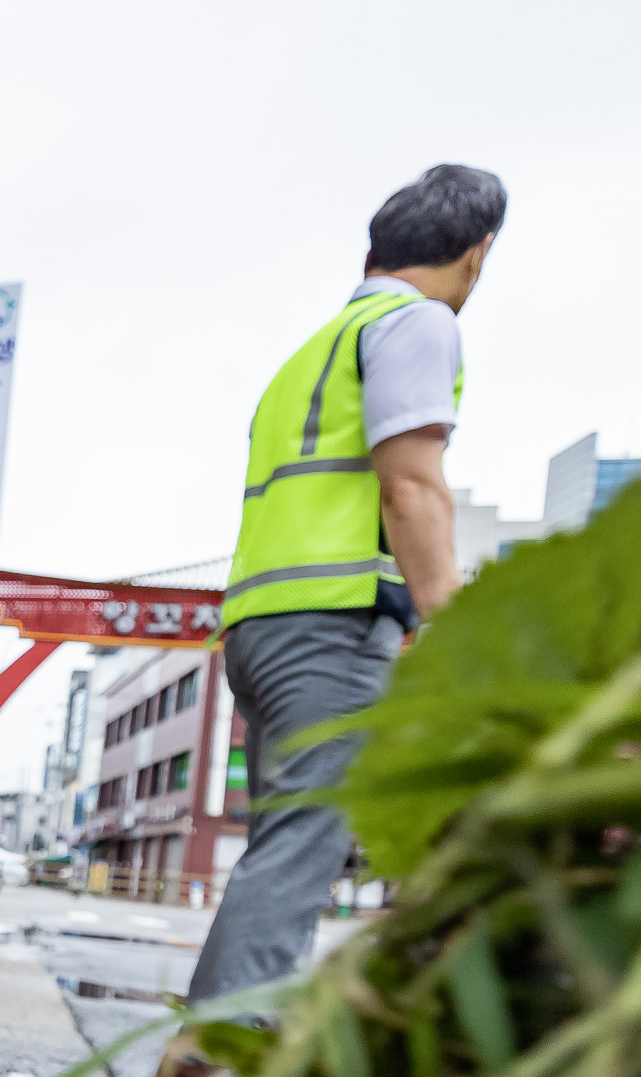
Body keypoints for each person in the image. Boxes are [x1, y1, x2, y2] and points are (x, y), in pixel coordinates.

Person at [183, 164, 505, 1007]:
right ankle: (221, 1056)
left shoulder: (307, 356)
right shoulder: (418, 325)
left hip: (261, 622)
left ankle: (212, 1045)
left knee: (284, 835)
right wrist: (457, 627)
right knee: (304, 838)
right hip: (329, 622)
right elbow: (412, 484)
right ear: (477, 255)